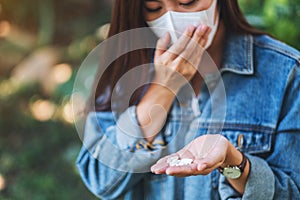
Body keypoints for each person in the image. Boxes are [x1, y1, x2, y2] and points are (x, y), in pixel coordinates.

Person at [76, 0, 300, 199]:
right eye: (154, 8)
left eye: (187, 2)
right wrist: (162, 90)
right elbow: (101, 181)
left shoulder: (284, 72)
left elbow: (292, 192)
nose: (172, 20)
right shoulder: (126, 66)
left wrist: (233, 163)